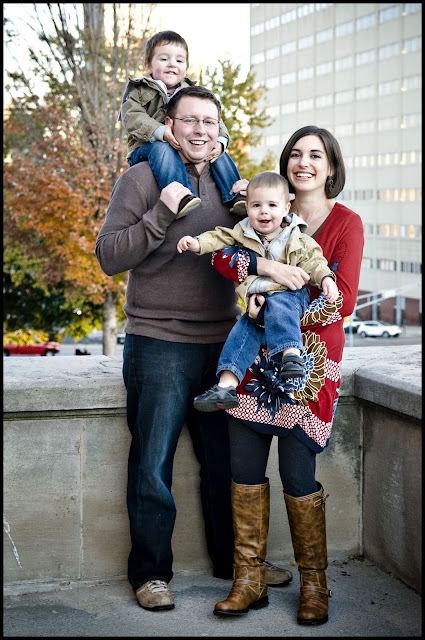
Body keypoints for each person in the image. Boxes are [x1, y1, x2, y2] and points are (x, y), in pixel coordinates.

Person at [95, 86, 292, 613]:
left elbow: (256, 250)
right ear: (171, 125)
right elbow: (108, 256)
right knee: (153, 465)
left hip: (225, 346)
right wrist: (160, 213)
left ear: (218, 130)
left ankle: (236, 565)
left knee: (227, 465)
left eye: (209, 121)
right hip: (159, 342)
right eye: (190, 121)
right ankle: (151, 574)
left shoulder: (235, 189)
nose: (200, 130)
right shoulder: (142, 178)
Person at [209, 126, 364, 623]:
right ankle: (248, 579)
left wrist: (269, 308)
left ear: (331, 167)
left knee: (298, 474)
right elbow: (222, 257)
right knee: (244, 468)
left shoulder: (346, 223)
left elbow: (342, 300)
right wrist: (265, 270)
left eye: (316, 155)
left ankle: (314, 585)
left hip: (309, 367)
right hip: (254, 362)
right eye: (296, 154)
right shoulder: (265, 209)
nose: (304, 163)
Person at [177, 171, 339, 411]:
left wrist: (326, 279)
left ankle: (292, 355)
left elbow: (315, 261)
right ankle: (226, 386)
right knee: (242, 331)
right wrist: (197, 243)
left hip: (291, 295)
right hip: (260, 300)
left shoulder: (296, 237)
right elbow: (219, 237)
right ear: (247, 208)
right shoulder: (242, 233)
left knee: (280, 304)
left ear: (285, 208)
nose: (264, 212)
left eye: (272, 205)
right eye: (256, 205)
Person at [118, 30, 246, 218]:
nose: (172, 64)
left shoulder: (192, 92)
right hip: (146, 147)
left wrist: (220, 141)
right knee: (162, 148)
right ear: (148, 66)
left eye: (179, 60)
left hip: (179, 146)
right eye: (164, 59)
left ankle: (236, 194)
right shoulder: (139, 90)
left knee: (218, 152)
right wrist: (160, 131)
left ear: (186, 67)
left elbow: (214, 118)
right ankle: (182, 195)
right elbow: (132, 117)